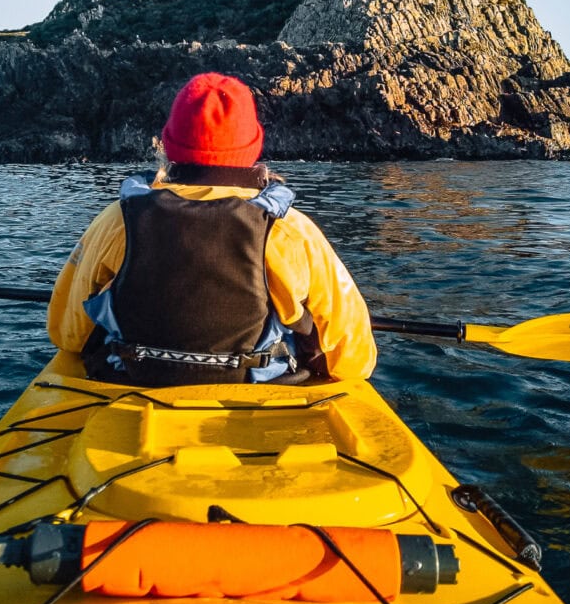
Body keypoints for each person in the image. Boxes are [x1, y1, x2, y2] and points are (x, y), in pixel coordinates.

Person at [47, 72, 377, 385]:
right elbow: (353, 360)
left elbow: (67, 334)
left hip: (131, 383)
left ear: (170, 143)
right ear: (252, 147)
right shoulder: (290, 230)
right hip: (261, 390)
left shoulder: (116, 221)